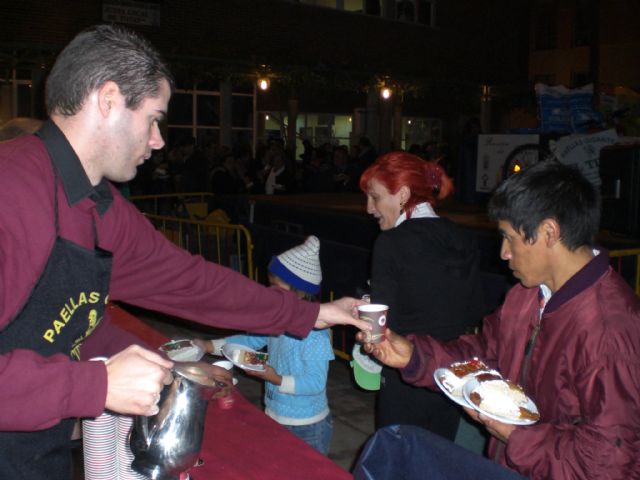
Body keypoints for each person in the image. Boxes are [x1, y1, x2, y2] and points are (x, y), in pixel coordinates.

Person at [0, 24, 368, 479]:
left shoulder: (97, 202)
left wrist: (312, 315)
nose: (157, 140)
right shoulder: (12, 189)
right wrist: (95, 385)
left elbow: (190, 281)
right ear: (108, 99)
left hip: (37, 448)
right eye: (154, 118)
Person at [357, 161, 640, 479]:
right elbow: (484, 353)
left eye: (509, 237)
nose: (503, 253)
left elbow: (611, 462)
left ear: (549, 232)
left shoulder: (608, 330)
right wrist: (413, 355)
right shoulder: (528, 294)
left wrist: (515, 437)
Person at [358, 152, 486, 440]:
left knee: (398, 455)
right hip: (452, 372)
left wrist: (364, 317)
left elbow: (381, 320)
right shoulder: (463, 236)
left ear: (402, 195)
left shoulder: (390, 243)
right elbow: (474, 308)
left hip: (407, 369)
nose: (369, 208)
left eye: (375, 197)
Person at [196, 236, 335, 454]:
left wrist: (275, 378)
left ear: (297, 290)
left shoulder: (316, 333)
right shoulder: (277, 318)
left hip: (307, 425)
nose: (269, 293)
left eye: (275, 287)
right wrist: (208, 345)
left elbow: (315, 383)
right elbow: (250, 340)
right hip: (274, 413)